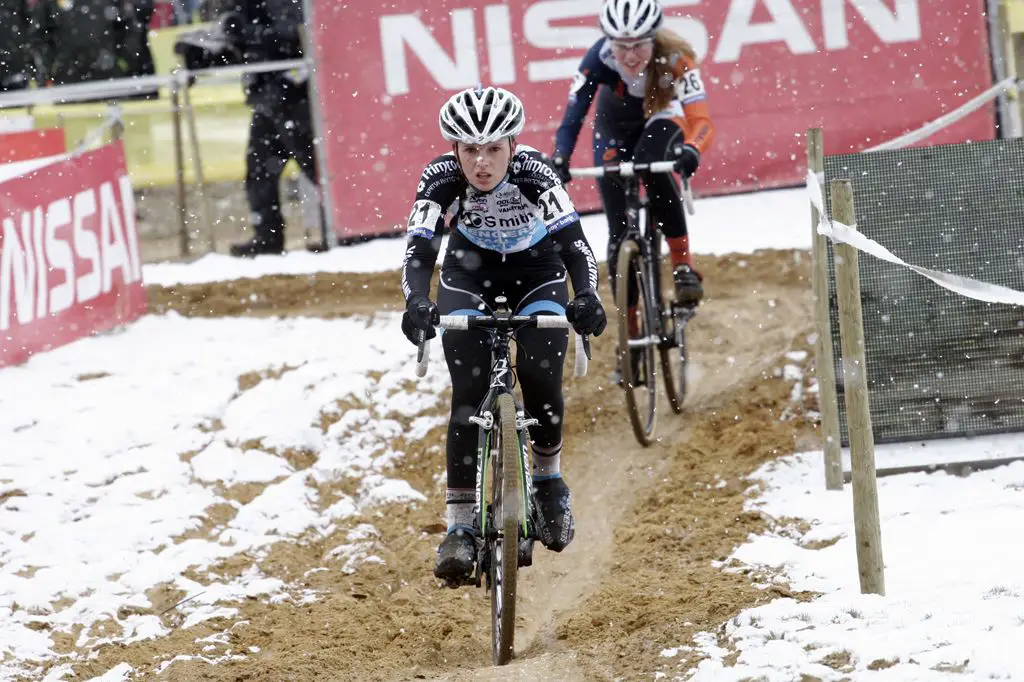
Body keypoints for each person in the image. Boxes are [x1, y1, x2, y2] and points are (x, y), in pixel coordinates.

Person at [400, 85, 608, 582]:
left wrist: (587, 296)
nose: (482, 163)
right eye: (470, 149)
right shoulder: (440, 177)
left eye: (494, 148)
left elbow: (576, 245)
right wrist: (416, 301)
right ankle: (460, 526)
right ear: (454, 148)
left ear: (513, 144)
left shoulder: (537, 173)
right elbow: (420, 248)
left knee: (540, 376)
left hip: (538, 268)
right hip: (469, 272)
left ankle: (548, 479)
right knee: (468, 397)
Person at [550, 0, 714, 308]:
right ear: (609, 41)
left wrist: (692, 148)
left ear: (654, 38)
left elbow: (701, 121)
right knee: (618, 229)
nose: (629, 56)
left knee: (649, 165)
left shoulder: (677, 57)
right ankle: (630, 324)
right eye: (621, 46)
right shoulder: (598, 58)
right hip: (614, 128)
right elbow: (573, 117)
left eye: (639, 46)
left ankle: (682, 265)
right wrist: (560, 157)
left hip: (662, 117)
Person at [213, 0, 326, 257]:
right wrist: (206, 51)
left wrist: (248, 32)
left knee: (317, 170)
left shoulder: (287, 5)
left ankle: (340, 231)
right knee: (259, 170)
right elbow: (237, 51)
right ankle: (267, 237)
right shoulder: (244, 8)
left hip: (296, 101)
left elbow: (301, 40)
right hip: (266, 102)